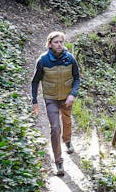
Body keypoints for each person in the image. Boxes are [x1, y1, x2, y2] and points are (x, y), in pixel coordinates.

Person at [30, 31, 80, 176]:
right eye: (56, 42)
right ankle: (58, 161)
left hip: (66, 97)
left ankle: (68, 140)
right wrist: (34, 101)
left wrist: (72, 94)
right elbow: (35, 82)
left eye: (61, 42)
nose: (59, 45)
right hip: (51, 98)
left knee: (67, 121)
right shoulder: (43, 60)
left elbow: (77, 78)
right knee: (55, 128)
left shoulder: (70, 58)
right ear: (49, 44)